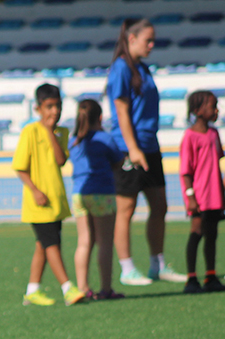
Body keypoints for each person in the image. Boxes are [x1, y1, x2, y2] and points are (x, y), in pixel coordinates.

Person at [107, 18, 185, 286]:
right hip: (129, 149)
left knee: (160, 206)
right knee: (126, 209)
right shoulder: (121, 68)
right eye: (147, 40)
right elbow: (121, 110)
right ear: (131, 39)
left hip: (150, 146)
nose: (152, 45)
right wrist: (132, 149)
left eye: (153, 40)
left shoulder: (143, 68)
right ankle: (126, 267)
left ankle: (157, 264)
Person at [14, 84, 85, 307]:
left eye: (58, 106)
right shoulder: (29, 132)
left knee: (43, 245)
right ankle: (67, 287)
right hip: (38, 202)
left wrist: (49, 132)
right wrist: (35, 191)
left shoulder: (61, 133)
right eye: (49, 107)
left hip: (55, 200)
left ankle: (32, 290)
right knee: (52, 244)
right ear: (38, 108)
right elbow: (20, 168)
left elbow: (60, 160)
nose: (54, 111)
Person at [69, 99, 126, 300]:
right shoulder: (104, 138)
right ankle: (106, 289)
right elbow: (119, 160)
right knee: (105, 242)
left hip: (79, 193)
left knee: (84, 242)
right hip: (103, 193)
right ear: (100, 117)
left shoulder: (74, 140)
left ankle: (83, 288)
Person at [179, 90, 224, 294]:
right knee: (196, 233)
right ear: (197, 110)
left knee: (212, 235)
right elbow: (186, 170)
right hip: (199, 197)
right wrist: (190, 196)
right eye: (212, 106)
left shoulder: (214, 133)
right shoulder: (190, 136)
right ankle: (191, 279)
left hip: (216, 195)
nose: (216, 110)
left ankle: (211, 275)